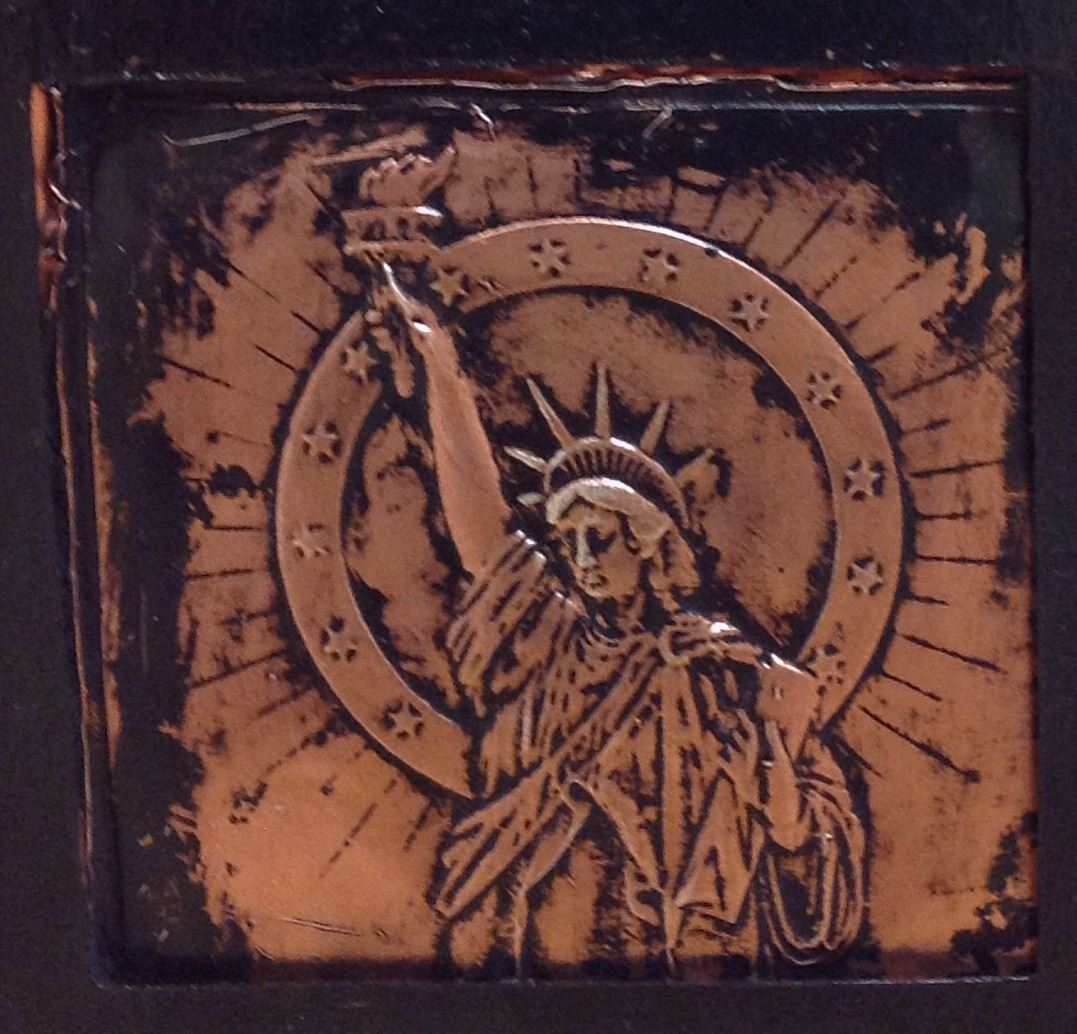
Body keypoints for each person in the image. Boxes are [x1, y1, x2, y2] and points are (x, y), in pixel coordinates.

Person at [380, 267, 865, 976]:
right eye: (569, 541)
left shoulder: (714, 668)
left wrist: (773, 744)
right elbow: (483, 533)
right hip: (550, 933)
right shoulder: (551, 638)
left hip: (687, 955)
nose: (581, 559)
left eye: (600, 539)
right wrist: (443, 373)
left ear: (647, 546)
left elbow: (802, 823)